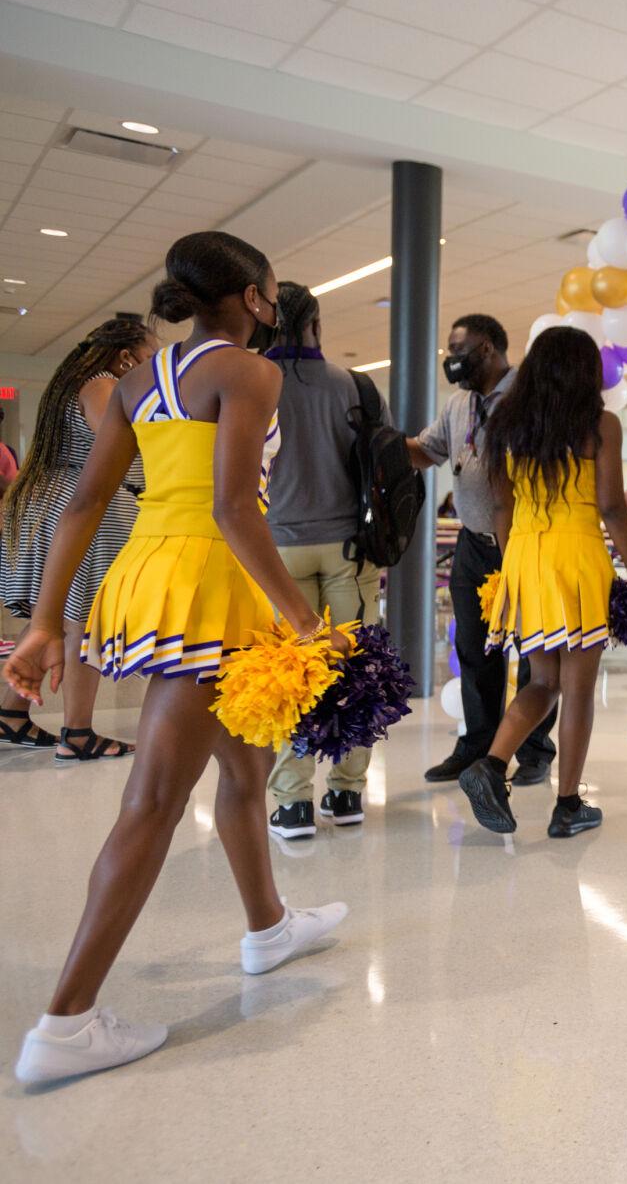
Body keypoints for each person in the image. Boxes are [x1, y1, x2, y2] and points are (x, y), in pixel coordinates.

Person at [6, 231, 349, 1084]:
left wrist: (46, 622)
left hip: (151, 574)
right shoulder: (246, 372)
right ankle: (66, 1022)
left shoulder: (135, 380)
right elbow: (237, 507)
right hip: (209, 583)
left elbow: (86, 499)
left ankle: (268, 925)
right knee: (156, 798)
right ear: (252, 297)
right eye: (271, 290)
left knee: (244, 764)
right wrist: (304, 620)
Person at [455, 326, 627, 838]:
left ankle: (491, 765)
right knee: (578, 690)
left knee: (542, 680)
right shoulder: (600, 424)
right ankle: (567, 806)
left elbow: (501, 506)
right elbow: (610, 506)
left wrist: (510, 568)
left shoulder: (507, 426)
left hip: (525, 556)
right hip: (577, 557)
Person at [408, 314, 555, 786]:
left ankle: (534, 751)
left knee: (535, 654)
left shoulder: (530, 399)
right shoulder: (457, 405)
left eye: (458, 350)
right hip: (474, 542)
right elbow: (425, 452)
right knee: (474, 649)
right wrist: (378, 442)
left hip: (529, 541)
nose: (452, 361)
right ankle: (477, 748)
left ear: (488, 348)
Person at [0, 318, 157, 761]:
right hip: (92, 508)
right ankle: (79, 732)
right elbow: (122, 443)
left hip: (55, 502)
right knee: (86, 618)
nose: (154, 363)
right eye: (150, 354)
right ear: (126, 356)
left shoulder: (78, 382)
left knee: (53, 613)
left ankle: (10, 714)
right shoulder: (105, 385)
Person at [259, 282, 381, 839]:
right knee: (357, 670)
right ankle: (348, 793)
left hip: (275, 550)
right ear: (317, 324)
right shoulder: (353, 386)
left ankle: (292, 804)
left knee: (290, 675)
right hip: (348, 551)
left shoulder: (252, 381)